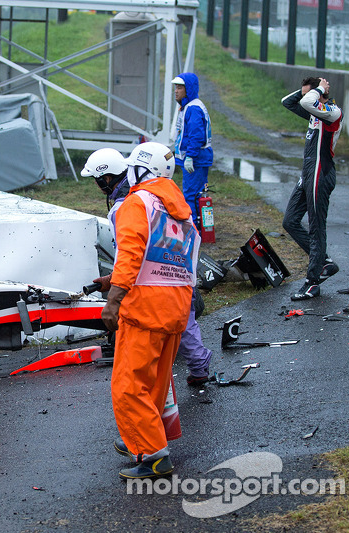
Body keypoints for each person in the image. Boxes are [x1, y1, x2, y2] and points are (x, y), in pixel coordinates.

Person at [98, 142, 200, 480]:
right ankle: (141, 441)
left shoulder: (136, 203)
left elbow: (130, 254)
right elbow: (169, 261)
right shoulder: (181, 212)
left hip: (143, 310)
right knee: (154, 384)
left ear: (141, 170)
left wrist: (114, 299)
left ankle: (154, 455)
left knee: (129, 385)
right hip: (176, 310)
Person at [82, 148, 212, 387]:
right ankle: (198, 366)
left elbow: (132, 255)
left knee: (134, 385)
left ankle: (194, 366)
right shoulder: (169, 199)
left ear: (106, 179)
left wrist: (114, 298)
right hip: (179, 280)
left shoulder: (131, 204)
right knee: (185, 325)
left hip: (154, 290)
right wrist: (112, 278)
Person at [281, 76, 343, 301]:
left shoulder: (331, 112)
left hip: (320, 175)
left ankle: (312, 282)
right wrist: (309, 90)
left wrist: (316, 90)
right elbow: (287, 102)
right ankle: (324, 262)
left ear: (321, 95)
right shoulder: (314, 110)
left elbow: (308, 103)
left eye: (312, 94)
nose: (305, 97)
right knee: (289, 221)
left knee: (317, 227)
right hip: (307, 175)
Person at [171, 73, 213, 229]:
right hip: (195, 158)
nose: (176, 91)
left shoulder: (193, 108)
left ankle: (194, 230)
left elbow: (196, 135)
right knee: (196, 194)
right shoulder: (189, 106)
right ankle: (200, 228)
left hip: (196, 160)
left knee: (192, 196)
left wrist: (190, 157)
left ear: (189, 89)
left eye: (180, 87)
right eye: (175, 87)